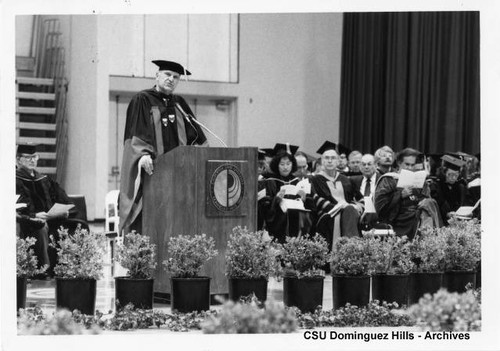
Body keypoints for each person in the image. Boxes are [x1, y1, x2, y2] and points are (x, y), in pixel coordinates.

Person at [119, 60, 208, 234]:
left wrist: (199, 150)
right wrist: (142, 155)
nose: (171, 79)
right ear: (157, 76)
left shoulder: (179, 104)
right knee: (149, 222)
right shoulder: (142, 100)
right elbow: (136, 134)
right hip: (153, 173)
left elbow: (196, 137)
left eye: (176, 77)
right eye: (167, 74)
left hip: (179, 176)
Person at [15, 144, 85, 276]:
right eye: (28, 157)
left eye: (35, 156)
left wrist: (63, 211)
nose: (32, 160)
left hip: (51, 218)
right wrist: (34, 215)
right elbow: (17, 208)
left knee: (75, 225)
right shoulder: (13, 180)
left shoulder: (44, 179)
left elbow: (64, 199)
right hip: (29, 221)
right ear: (18, 160)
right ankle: (43, 269)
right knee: (41, 226)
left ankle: (72, 270)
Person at [374, 147, 442, 239]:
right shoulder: (388, 180)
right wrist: (399, 195)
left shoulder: (420, 180)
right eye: (407, 164)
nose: (409, 168)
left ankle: (429, 242)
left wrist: (422, 199)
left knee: (429, 204)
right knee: (423, 216)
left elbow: (426, 199)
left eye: (412, 165)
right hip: (398, 220)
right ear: (399, 163)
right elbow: (380, 208)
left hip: (418, 214)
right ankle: (428, 242)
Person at [310, 141, 363, 251]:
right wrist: (336, 208)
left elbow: (361, 199)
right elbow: (314, 198)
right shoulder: (314, 180)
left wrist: (357, 207)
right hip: (327, 215)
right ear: (322, 161)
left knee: (350, 210)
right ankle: (351, 250)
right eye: (326, 158)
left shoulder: (346, 179)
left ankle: (351, 250)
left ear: (338, 161)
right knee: (347, 211)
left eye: (333, 158)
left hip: (348, 213)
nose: (330, 161)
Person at [257, 144, 313, 242]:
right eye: (282, 164)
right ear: (277, 165)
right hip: (277, 219)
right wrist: (276, 199)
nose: (285, 167)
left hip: (295, 217)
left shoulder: (297, 181)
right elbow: (264, 205)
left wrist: (303, 199)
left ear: (292, 164)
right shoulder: (270, 180)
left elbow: (309, 204)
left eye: (288, 164)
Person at [431, 155, 468, 225]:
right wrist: (447, 214)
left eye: (456, 175)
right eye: (450, 175)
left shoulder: (460, 187)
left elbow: (463, 204)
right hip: (441, 222)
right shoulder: (436, 186)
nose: (454, 178)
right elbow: (436, 207)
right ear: (444, 172)